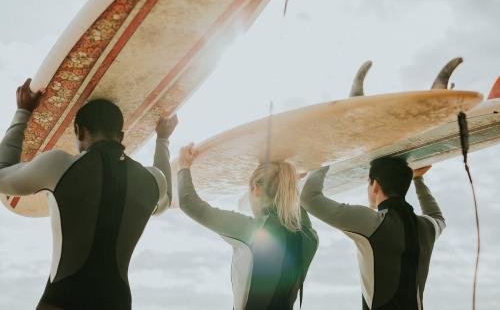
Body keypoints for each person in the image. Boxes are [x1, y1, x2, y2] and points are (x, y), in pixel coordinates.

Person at [0, 79, 178, 310]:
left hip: (64, 298)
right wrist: (162, 140)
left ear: (79, 131)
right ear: (121, 136)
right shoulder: (153, 181)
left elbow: (2, 175)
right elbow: (165, 198)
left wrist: (23, 112)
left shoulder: (59, 166)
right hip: (117, 301)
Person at [177, 143, 319, 310]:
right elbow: (295, 210)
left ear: (256, 189)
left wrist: (183, 166)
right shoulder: (309, 236)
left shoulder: (253, 231)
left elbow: (190, 204)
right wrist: (289, 183)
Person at [301, 157, 445, 310]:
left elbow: (308, 198)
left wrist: (327, 157)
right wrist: (418, 179)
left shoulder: (373, 223)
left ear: (375, 185)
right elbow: (437, 216)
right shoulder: (427, 227)